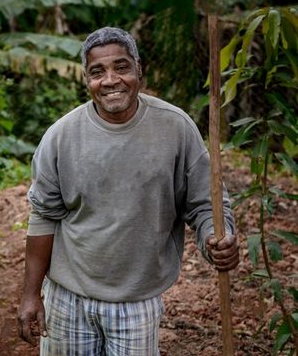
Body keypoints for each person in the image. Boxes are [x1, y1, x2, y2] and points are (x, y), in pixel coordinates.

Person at [16, 26, 240, 356]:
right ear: (86, 79)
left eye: (121, 67)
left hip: (137, 301)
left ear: (138, 69)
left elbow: (205, 203)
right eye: (97, 72)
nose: (110, 80)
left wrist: (216, 240)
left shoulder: (174, 128)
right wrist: (31, 294)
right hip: (68, 296)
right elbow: (44, 217)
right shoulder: (61, 137)